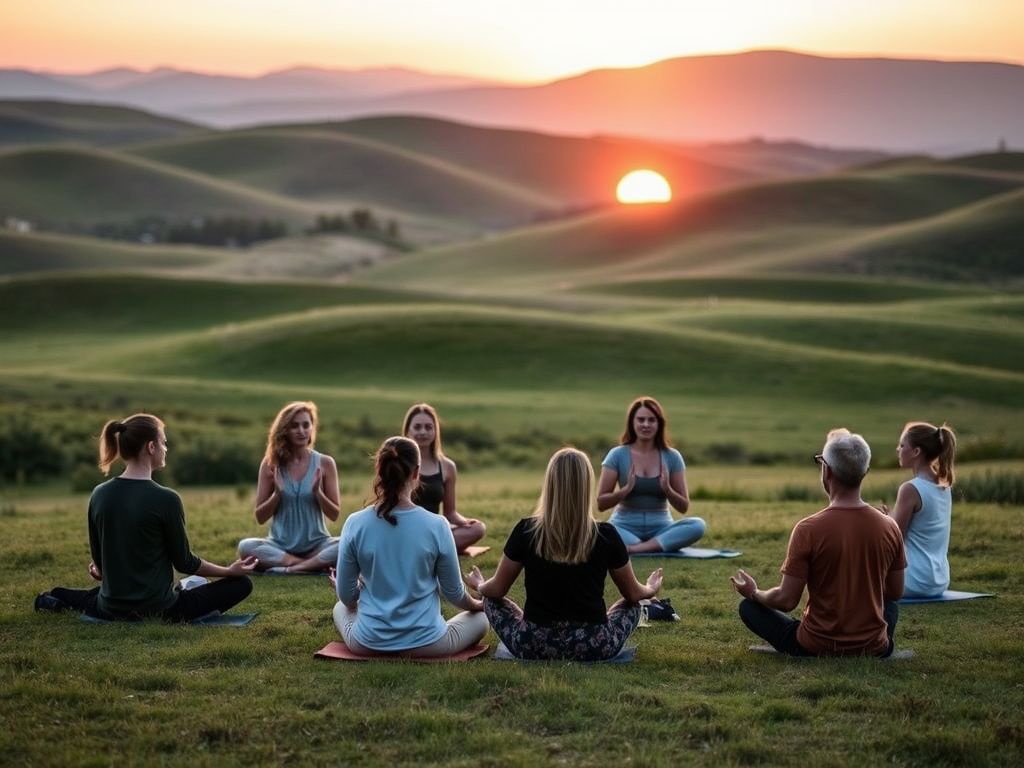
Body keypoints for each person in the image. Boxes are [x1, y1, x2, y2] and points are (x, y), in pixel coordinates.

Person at [35, 413, 257, 621]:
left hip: (109, 607)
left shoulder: (99, 494)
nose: (166, 448)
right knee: (241, 584)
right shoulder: (167, 498)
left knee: (63, 594)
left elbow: (100, 564)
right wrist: (229, 571)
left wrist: (101, 571)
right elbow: (185, 562)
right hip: (160, 609)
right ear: (151, 447)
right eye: (163, 442)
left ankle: (55, 601)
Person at [465, 447, 663, 661]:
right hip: (593, 645)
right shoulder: (606, 535)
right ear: (587, 486)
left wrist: (479, 586)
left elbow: (496, 590)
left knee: (492, 601)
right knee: (631, 606)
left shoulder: (526, 530)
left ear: (550, 484)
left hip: (533, 644)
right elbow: (633, 594)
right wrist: (650, 589)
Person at [729, 428, 906, 657]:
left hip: (816, 645)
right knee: (890, 607)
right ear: (865, 472)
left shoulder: (808, 529)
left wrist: (755, 593)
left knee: (749, 608)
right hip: (874, 647)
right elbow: (894, 592)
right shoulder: (890, 527)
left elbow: (786, 600)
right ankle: (868, 641)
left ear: (827, 471)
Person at [331, 436, 488, 657]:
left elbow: (347, 597)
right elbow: (453, 593)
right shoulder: (438, 525)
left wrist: (359, 589)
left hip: (367, 643)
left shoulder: (355, 523)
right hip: (429, 644)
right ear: (417, 472)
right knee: (481, 619)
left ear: (379, 470)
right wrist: (478, 605)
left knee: (339, 607)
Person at [239, 401, 341, 572]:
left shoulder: (325, 463)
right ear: (284, 430)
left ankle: (293, 568)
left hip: (318, 545)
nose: (301, 431)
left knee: (349, 543)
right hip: (280, 547)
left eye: (306, 425)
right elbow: (260, 517)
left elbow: (334, 514)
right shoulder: (270, 464)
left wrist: (317, 493)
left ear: (312, 428)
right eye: (294, 426)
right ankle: (311, 566)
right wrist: (277, 494)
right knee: (246, 547)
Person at [597, 396, 705, 554]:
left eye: (651, 420)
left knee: (698, 525)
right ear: (632, 423)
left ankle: (636, 549)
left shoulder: (672, 456)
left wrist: (667, 489)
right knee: (599, 530)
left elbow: (683, 507)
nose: (645, 424)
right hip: (624, 526)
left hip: (661, 528)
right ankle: (654, 546)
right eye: (640, 420)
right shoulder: (617, 455)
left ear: (659, 423)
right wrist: (625, 490)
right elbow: (601, 504)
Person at [884, 421, 957, 598]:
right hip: (938, 582)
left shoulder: (911, 488)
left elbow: (894, 537)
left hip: (912, 581)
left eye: (902, 445)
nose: (897, 449)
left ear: (916, 452)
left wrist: (882, 521)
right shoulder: (944, 486)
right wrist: (889, 517)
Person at [402, 403, 486, 553]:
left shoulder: (447, 467)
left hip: (433, 530)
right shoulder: (397, 463)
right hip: (404, 528)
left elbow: (450, 513)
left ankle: (428, 549)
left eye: (428, 427)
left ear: (435, 431)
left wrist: (464, 522)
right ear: (408, 430)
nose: (423, 432)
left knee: (478, 528)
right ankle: (435, 549)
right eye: (417, 427)